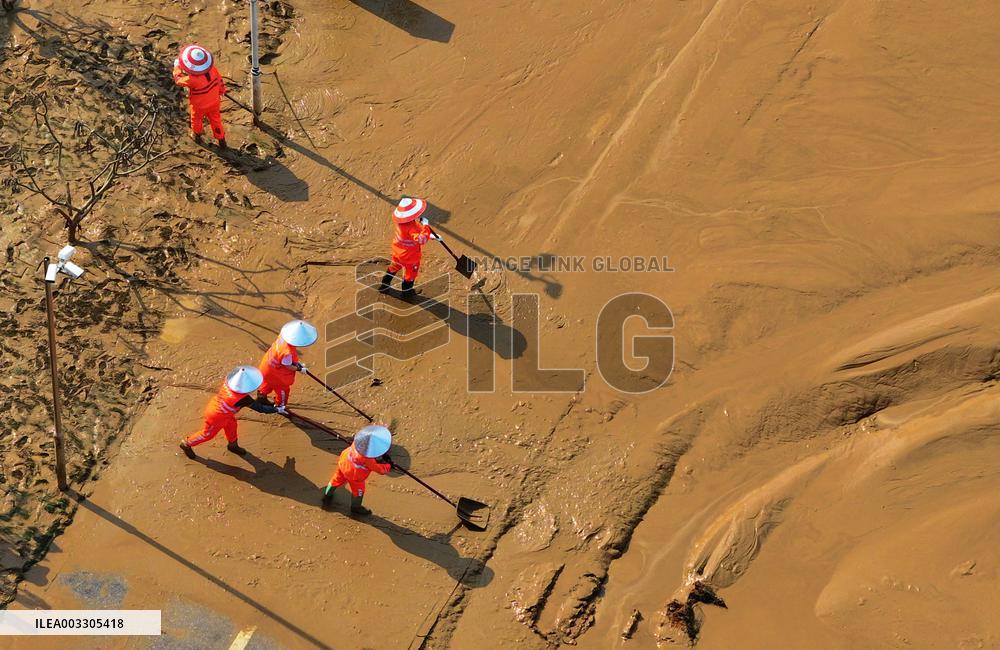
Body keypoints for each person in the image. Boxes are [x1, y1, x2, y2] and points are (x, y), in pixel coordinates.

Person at [179, 366, 277, 459]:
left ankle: (233, 445)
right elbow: (261, 408)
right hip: (216, 416)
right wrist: (277, 409)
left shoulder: (228, 381)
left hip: (221, 409)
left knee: (232, 426)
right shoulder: (243, 399)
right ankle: (187, 443)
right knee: (208, 434)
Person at [321, 425, 393, 515]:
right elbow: (380, 470)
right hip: (355, 476)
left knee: (335, 480)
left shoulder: (356, 443)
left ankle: (327, 495)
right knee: (358, 491)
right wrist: (388, 466)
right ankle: (356, 507)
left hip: (343, 464)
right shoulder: (368, 459)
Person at [379, 197, 441, 298]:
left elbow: (414, 235)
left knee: (393, 268)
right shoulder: (412, 227)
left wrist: (431, 236)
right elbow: (421, 239)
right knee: (409, 276)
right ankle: (407, 293)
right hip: (410, 257)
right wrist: (426, 226)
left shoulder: (400, 223)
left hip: (398, 252)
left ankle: (384, 286)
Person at [172, 44, 227, 148]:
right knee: (216, 120)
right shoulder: (213, 70)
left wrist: (177, 67)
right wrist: (222, 91)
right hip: (214, 101)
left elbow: (178, 80)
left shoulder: (192, 79)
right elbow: (220, 81)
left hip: (199, 105)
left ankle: (196, 135)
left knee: (196, 119)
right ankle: (221, 140)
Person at [257, 320, 317, 412]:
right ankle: (280, 406)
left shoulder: (283, 336)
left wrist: (298, 366)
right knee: (283, 391)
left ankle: (261, 396)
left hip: (266, 366)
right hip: (276, 374)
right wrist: (299, 369)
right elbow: (288, 366)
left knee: (267, 383)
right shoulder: (287, 353)